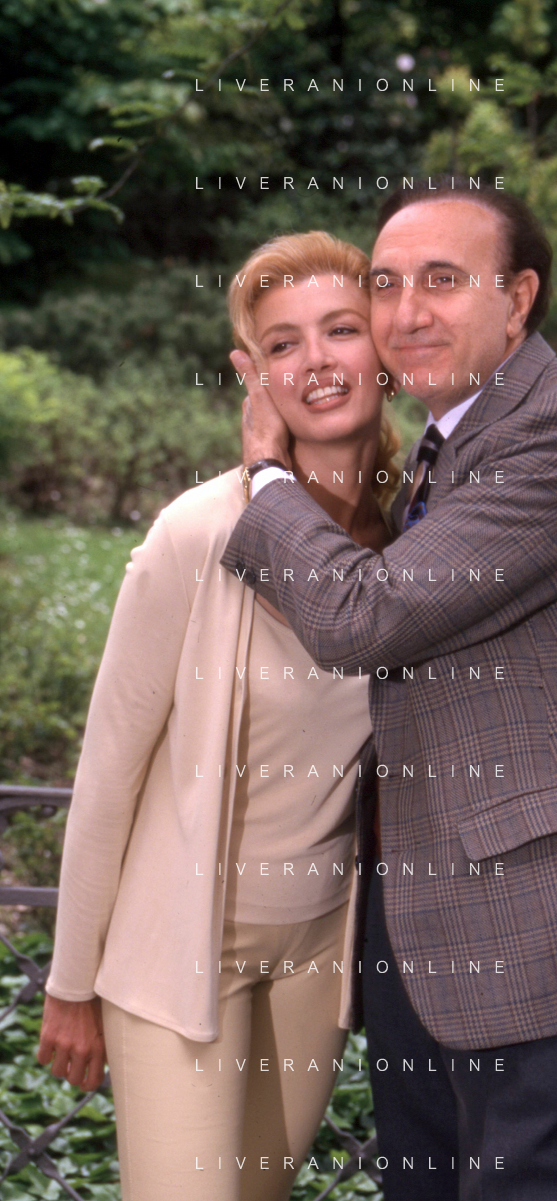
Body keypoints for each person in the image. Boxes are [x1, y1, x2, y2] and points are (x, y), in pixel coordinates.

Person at [221, 179, 557, 1201]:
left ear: (517, 299)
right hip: (427, 924)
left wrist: (268, 475)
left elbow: (364, 617)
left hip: (550, 925)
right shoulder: (442, 452)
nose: (406, 312)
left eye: (442, 280)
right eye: (386, 285)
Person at [37, 230, 398, 1201]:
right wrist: (71, 982)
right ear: (252, 375)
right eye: (284, 344)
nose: (317, 361)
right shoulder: (196, 534)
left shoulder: (417, 539)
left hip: (314, 960)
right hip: (178, 959)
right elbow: (108, 769)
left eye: (342, 330)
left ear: (386, 347)